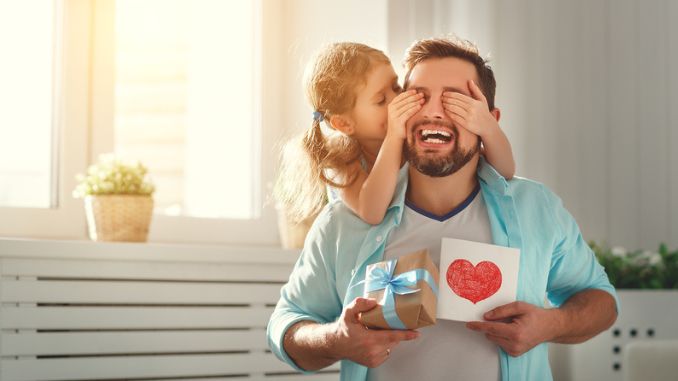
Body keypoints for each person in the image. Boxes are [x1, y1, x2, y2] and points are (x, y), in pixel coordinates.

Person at [267, 37, 619, 381]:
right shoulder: (345, 219)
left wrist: (551, 324)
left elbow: (602, 302)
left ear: (489, 119)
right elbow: (286, 324)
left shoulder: (536, 208)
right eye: (417, 97)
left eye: (457, 101)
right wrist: (336, 339)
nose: (434, 111)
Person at [274, 42, 514, 228]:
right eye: (381, 100)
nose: (397, 100)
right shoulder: (343, 159)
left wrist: (487, 126)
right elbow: (373, 212)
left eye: (397, 87)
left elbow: (504, 170)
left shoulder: (416, 140)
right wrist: (394, 139)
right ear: (344, 123)